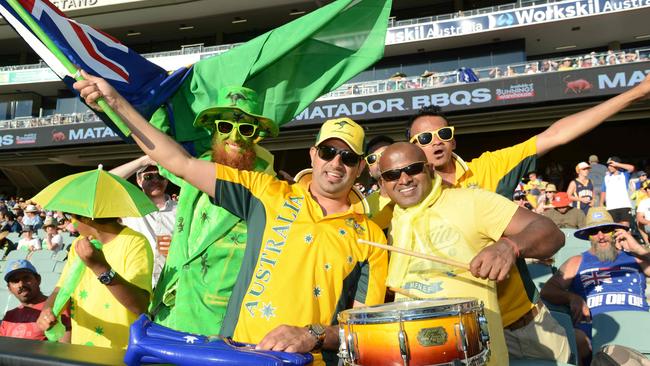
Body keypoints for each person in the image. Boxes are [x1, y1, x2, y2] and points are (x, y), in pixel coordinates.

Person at [73, 72, 387, 364]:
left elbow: (364, 328)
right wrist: (115, 103)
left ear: (360, 167)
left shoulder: (371, 236)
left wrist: (312, 335)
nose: (336, 163)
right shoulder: (269, 192)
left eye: (348, 157)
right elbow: (178, 162)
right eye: (328, 152)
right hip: (234, 354)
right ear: (312, 154)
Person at [403, 74, 650, 360]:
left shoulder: (487, 170)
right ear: (410, 147)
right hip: (450, 329)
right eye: (424, 138)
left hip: (519, 322)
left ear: (453, 141)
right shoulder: (401, 193)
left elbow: (556, 135)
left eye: (443, 134)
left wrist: (637, 92)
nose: (436, 142)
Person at [378, 143, 568, 364]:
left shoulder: (473, 201)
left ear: (430, 169)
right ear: (383, 184)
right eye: (392, 175)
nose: (404, 179)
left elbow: (551, 233)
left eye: (413, 169)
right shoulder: (389, 223)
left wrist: (510, 246)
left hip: (478, 357)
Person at [145, 86, 277, 336]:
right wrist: (164, 97)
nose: (235, 137)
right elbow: (161, 154)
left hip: (216, 328)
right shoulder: (196, 168)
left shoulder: (268, 190)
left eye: (246, 129)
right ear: (214, 130)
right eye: (226, 127)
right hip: (168, 314)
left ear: (257, 136)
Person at [540, 207, 650, 363]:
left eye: (605, 229)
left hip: (638, 322)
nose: (601, 236)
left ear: (614, 231)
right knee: (577, 341)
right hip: (594, 327)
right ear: (588, 236)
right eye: (594, 231)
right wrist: (572, 298)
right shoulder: (577, 262)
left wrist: (638, 248)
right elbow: (548, 290)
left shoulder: (635, 259)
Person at [36, 214, 153, 349]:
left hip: (125, 350)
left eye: (72, 218)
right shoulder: (78, 244)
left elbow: (140, 305)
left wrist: (100, 267)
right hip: (82, 348)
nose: (71, 223)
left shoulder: (135, 242)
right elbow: (62, 288)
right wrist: (47, 310)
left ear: (86, 218)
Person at [113, 160, 177, 288]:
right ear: (138, 181)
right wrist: (143, 160)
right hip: (136, 282)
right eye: (148, 176)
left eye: (160, 176)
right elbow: (105, 181)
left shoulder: (181, 209)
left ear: (167, 179)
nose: (155, 180)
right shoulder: (129, 206)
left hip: (173, 282)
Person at [1, 260, 71, 341]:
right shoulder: (9, 316)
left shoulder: (57, 306)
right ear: (9, 288)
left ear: (38, 279)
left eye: (26, 278)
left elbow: (64, 349)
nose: (21, 285)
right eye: (15, 281)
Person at [600, 156, 635, 226]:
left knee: (625, 228)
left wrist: (617, 164)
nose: (609, 167)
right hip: (611, 207)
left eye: (611, 165)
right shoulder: (606, 177)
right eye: (608, 165)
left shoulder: (624, 174)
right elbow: (603, 191)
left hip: (624, 206)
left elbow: (632, 168)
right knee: (615, 229)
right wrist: (601, 203)